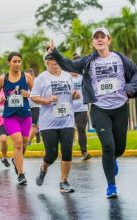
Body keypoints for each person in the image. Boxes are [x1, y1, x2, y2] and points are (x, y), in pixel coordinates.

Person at [46, 27, 137, 198]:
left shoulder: (120, 58)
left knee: (119, 148)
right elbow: (69, 64)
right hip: (99, 109)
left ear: (108, 40)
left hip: (120, 108)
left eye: (102, 36)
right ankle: (111, 186)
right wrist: (55, 53)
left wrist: (130, 88)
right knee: (108, 146)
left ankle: (113, 159)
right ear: (93, 42)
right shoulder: (89, 61)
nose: (99, 39)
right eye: (96, 37)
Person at [31, 53, 80, 193]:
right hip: (49, 123)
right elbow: (33, 97)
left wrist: (75, 96)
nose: (55, 62)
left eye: (56, 59)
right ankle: (43, 168)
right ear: (46, 62)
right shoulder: (42, 78)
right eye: (51, 59)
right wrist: (46, 100)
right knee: (51, 155)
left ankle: (63, 181)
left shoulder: (67, 76)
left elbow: (71, 94)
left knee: (67, 152)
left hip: (67, 121)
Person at [0, 52, 34, 185]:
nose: (17, 64)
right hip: (10, 116)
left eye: (19, 61)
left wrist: (29, 94)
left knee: (24, 144)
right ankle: (21, 173)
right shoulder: (2, 79)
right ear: (9, 63)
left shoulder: (27, 77)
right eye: (14, 61)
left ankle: (15, 160)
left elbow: (36, 92)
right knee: (17, 143)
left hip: (25, 115)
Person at [71, 53, 91, 160]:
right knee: (68, 131)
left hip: (81, 108)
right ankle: (67, 152)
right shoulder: (66, 77)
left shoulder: (83, 77)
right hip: (68, 109)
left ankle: (84, 152)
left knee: (81, 129)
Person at [26, 68, 41, 145]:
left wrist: (30, 94)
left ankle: (29, 141)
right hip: (26, 106)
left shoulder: (37, 81)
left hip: (36, 105)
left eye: (30, 75)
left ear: (33, 75)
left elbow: (40, 92)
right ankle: (37, 133)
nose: (29, 77)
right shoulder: (24, 82)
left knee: (34, 124)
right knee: (28, 124)